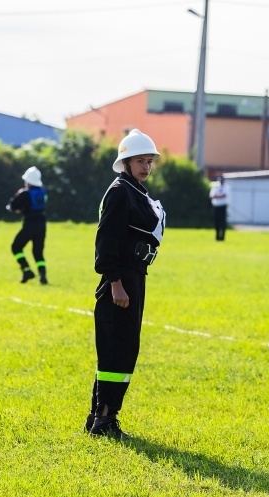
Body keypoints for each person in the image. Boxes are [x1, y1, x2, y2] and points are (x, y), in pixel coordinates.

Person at [85, 129, 166, 439]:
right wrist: (116, 283)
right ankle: (104, 420)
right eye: (140, 161)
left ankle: (98, 416)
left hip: (134, 275)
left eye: (149, 161)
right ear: (126, 162)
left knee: (123, 346)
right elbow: (107, 240)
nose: (146, 167)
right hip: (120, 279)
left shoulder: (135, 190)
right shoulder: (121, 191)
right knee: (117, 348)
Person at [7, 166, 48, 284]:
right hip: (42, 225)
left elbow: (13, 206)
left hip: (29, 224)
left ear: (28, 181)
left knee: (16, 247)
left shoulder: (25, 193)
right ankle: (42, 275)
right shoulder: (42, 191)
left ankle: (26, 270)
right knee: (38, 252)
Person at [209, 177, 229, 241]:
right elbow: (211, 196)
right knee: (216, 222)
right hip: (216, 206)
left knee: (222, 222)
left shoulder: (226, 187)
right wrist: (218, 196)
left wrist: (216, 196)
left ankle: (222, 237)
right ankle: (217, 237)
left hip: (223, 206)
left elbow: (224, 195)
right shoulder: (215, 187)